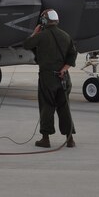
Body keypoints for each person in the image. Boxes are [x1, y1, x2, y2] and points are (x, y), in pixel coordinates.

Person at [23, 9, 77, 148]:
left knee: (47, 106)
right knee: (64, 108)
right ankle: (70, 139)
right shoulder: (66, 36)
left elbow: (27, 44)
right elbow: (72, 55)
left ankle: (45, 139)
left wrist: (35, 32)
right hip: (64, 77)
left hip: (48, 78)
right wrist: (64, 70)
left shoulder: (42, 36)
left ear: (44, 21)